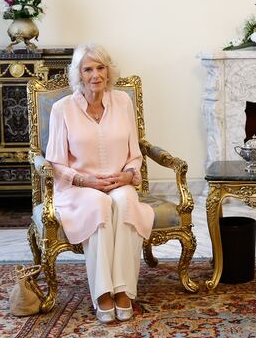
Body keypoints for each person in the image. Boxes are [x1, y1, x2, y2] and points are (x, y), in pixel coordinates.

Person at [46, 44, 153, 323]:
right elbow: (55, 162)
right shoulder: (62, 109)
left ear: (108, 70)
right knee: (99, 205)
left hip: (120, 181)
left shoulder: (123, 102)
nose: (96, 75)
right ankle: (103, 292)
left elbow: (134, 153)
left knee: (125, 201)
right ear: (79, 75)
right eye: (88, 69)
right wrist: (84, 179)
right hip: (79, 187)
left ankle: (124, 289)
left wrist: (128, 175)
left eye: (100, 67)